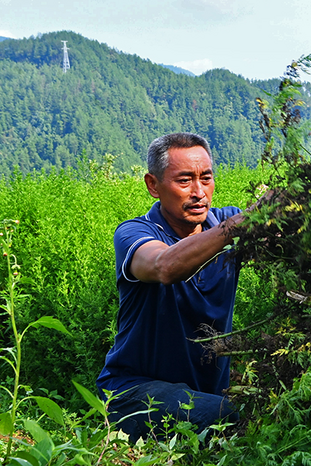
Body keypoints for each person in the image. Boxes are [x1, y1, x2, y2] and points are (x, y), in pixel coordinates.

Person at [96, 132, 247, 441]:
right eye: (184, 181)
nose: (199, 192)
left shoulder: (226, 223)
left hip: (205, 395)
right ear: (153, 185)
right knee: (233, 419)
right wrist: (240, 225)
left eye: (206, 178)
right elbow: (165, 266)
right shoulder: (134, 234)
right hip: (134, 393)